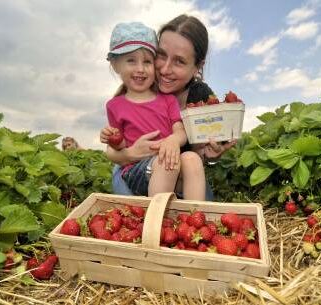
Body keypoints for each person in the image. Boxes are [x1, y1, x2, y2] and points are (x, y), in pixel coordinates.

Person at [100, 15, 236, 199]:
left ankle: (193, 216)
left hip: (175, 167)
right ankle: (157, 220)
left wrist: (209, 155)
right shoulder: (137, 88)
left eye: (179, 61)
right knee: (139, 206)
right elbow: (114, 149)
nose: (164, 69)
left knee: (190, 163)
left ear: (197, 67)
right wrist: (132, 152)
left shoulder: (200, 98)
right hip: (136, 167)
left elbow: (194, 153)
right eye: (161, 55)